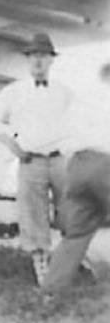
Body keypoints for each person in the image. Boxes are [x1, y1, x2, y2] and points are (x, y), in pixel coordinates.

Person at [0, 32, 72, 284]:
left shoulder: (64, 92)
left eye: (43, 56)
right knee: (33, 215)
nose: (38, 62)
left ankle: (71, 261)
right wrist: (13, 146)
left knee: (70, 211)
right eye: (33, 56)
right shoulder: (14, 91)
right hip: (31, 161)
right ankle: (43, 268)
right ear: (27, 61)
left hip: (60, 160)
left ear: (52, 60)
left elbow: (79, 123)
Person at [42, 63, 110, 292]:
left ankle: (51, 290)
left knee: (77, 233)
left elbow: (62, 139)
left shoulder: (81, 101)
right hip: (106, 163)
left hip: (78, 166)